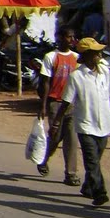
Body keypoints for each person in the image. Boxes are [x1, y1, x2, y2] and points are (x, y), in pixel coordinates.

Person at [62, 37, 110, 207]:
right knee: (91, 159)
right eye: (95, 53)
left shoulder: (105, 72)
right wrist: (57, 122)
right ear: (87, 55)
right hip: (85, 124)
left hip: (104, 123)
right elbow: (66, 101)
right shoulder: (76, 76)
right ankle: (99, 192)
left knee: (97, 156)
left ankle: (88, 186)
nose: (99, 55)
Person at [37, 27, 80, 185]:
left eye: (72, 37)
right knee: (55, 136)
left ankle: (71, 173)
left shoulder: (77, 58)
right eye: (69, 36)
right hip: (56, 102)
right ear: (60, 37)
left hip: (72, 104)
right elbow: (45, 83)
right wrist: (43, 105)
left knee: (71, 139)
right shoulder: (51, 57)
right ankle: (44, 158)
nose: (71, 40)